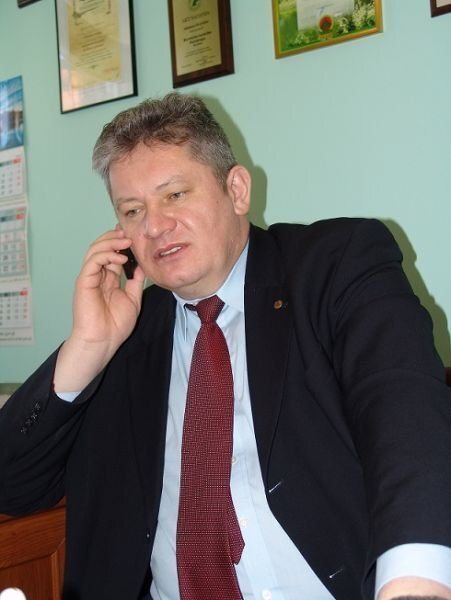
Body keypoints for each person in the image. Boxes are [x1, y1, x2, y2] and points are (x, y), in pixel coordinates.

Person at [1, 92, 451, 600]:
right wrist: (87, 347)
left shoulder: (335, 268)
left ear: (236, 190)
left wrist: (415, 584)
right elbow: (13, 486)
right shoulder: (123, 332)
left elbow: (405, 412)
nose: (154, 226)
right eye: (132, 210)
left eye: (175, 195)